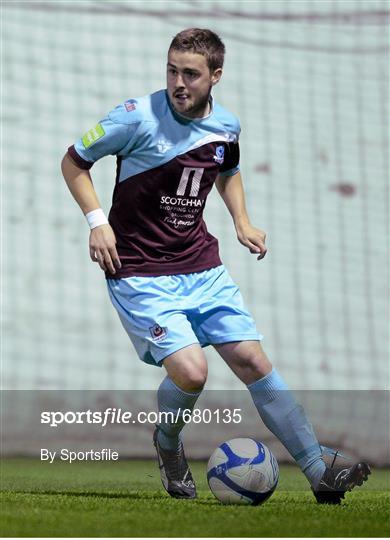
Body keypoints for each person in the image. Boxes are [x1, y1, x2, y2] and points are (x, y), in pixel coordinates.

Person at [61, 28, 370, 504]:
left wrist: (243, 221)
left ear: (215, 76)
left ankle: (317, 467)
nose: (178, 82)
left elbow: (227, 171)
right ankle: (167, 444)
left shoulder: (227, 125)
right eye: (171, 70)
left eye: (190, 73)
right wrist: (96, 222)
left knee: (254, 361)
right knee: (192, 372)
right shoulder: (135, 117)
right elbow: (73, 162)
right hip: (140, 270)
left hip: (201, 266)